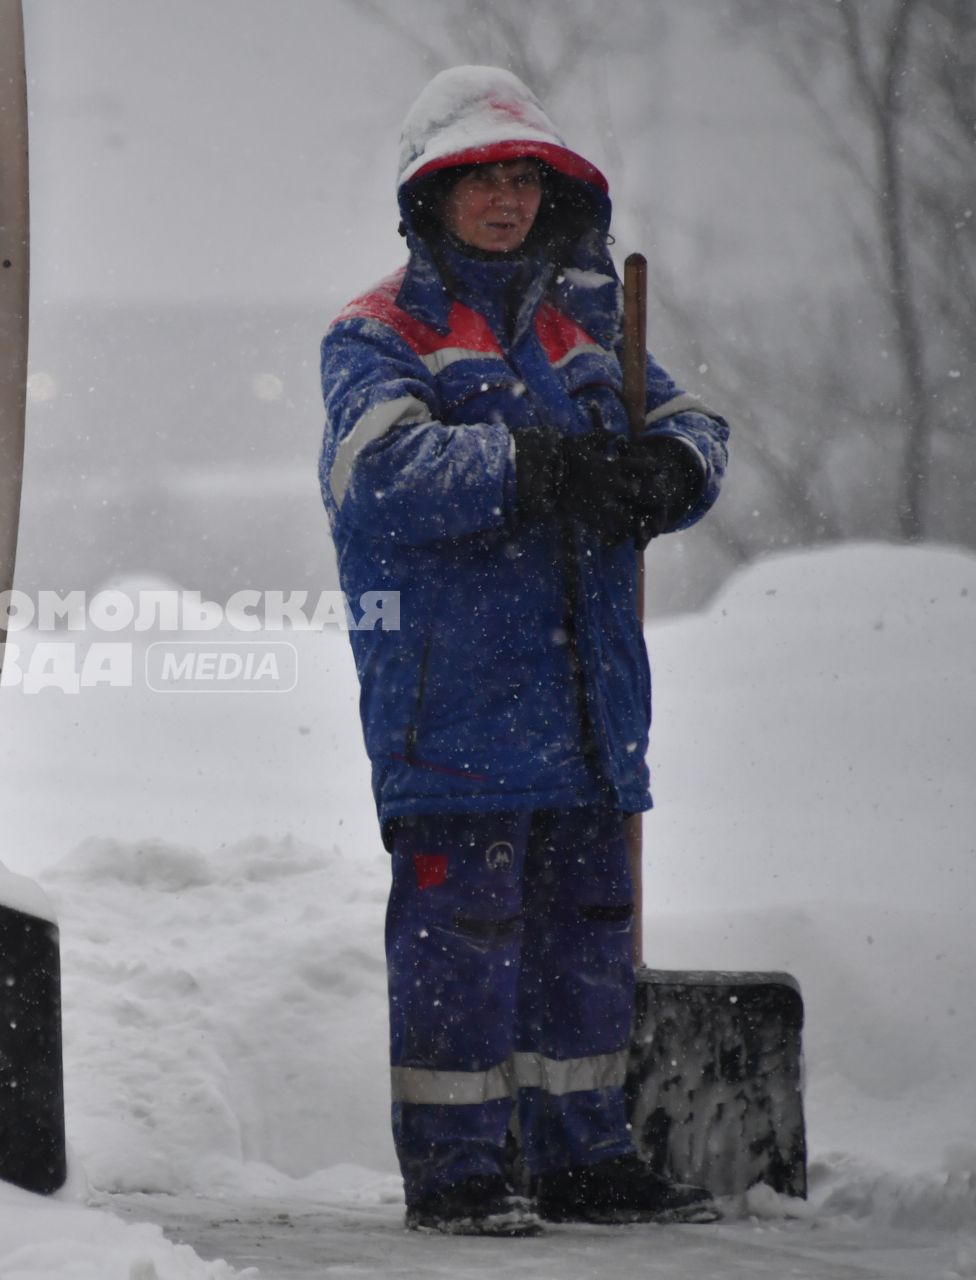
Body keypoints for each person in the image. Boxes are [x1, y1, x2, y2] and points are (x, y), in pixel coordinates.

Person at [318, 66, 731, 1236]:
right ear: (428, 197)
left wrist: (674, 466)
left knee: (584, 929)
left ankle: (581, 1156)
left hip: (588, 705)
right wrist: (543, 464)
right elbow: (380, 476)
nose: (504, 197)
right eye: (478, 178)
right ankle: (456, 1170)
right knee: (464, 937)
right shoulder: (378, 332)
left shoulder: (588, 331)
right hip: (453, 705)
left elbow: (695, 421)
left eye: (521, 177)